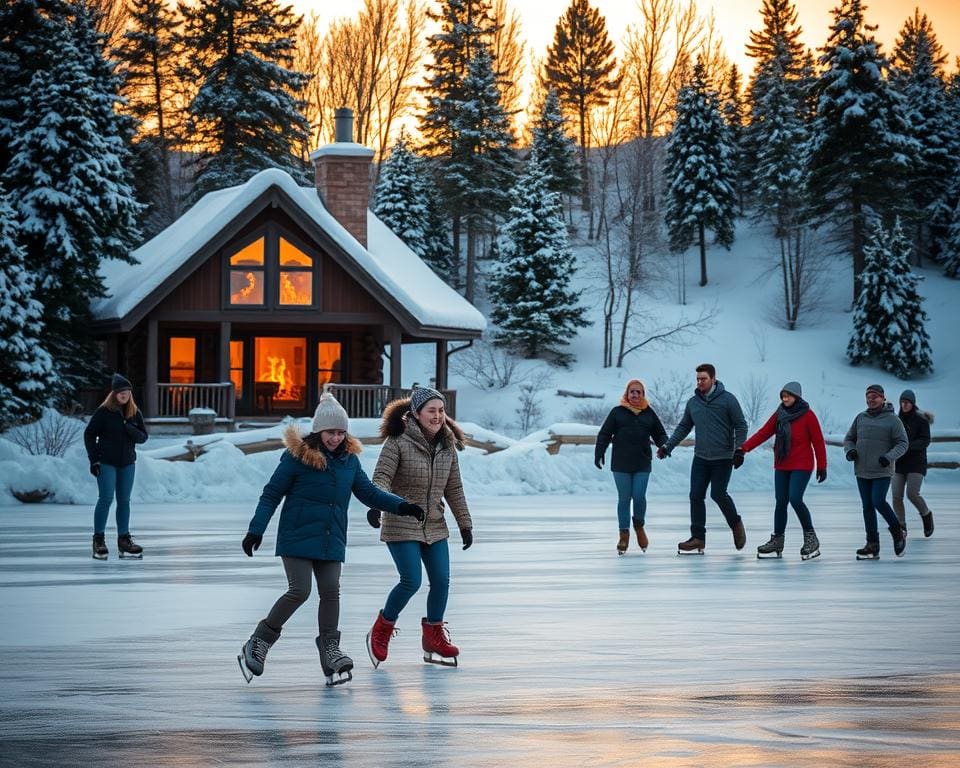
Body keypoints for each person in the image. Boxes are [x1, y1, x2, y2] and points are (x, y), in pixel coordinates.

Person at [237, 393, 424, 686]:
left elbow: (370, 493)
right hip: (297, 536)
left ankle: (330, 650)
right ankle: (259, 642)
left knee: (331, 591)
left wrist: (402, 506)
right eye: (330, 432)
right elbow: (271, 494)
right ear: (318, 431)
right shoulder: (296, 457)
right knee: (299, 591)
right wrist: (255, 530)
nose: (336, 438)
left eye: (340, 432)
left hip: (331, 538)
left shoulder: (349, 462)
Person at [366, 386, 473, 669]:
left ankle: (433, 637)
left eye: (441, 411)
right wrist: (378, 504)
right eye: (431, 411)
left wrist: (465, 523)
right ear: (415, 413)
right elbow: (381, 477)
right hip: (401, 520)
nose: (437, 416)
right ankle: (382, 627)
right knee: (410, 580)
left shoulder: (447, 444)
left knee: (441, 580)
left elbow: (454, 488)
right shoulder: (398, 441)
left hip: (434, 524)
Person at [656, 363, 748, 555]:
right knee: (695, 495)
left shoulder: (728, 400)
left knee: (718, 494)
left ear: (713, 379)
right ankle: (698, 538)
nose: (699, 382)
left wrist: (739, 449)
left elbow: (741, 425)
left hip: (723, 457)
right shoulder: (693, 403)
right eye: (697, 379)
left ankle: (736, 524)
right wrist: (667, 446)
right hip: (701, 458)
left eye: (703, 379)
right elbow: (683, 427)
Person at [740, 381, 827, 560]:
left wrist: (822, 466)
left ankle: (811, 538)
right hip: (782, 464)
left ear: (797, 396)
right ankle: (777, 540)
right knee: (781, 501)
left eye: (788, 395)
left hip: (802, 464)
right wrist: (743, 449)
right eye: (783, 396)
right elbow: (764, 432)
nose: (785, 398)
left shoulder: (808, 416)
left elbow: (818, 441)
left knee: (795, 498)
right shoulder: (780, 414)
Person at [594, 379, 667, 555]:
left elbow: (660, 433)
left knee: (639, 497)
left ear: (643, 395)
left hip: (642, 462)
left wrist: (664, 446)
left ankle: (639, 526)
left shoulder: (648, 413)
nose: (634, 395)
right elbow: (604, 433)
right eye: (631, 392)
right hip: (621, 463)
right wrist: (599, 452)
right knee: (624, 499)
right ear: (627, 394)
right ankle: (624, 535)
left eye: (638, 392)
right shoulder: (617, 412)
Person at [83, 373, 148, 560]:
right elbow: (89, 435)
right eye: (120, 392)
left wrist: (129, 428)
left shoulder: (134, 413)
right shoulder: (104, 413)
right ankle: (99, 540)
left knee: (124, 500)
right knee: (105, 499)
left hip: (127, 463)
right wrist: (93, 460)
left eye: (127, 391)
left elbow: (143, 437)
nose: (124, 395)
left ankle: (124, 540)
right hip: (106, 462)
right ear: (114, 393)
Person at [843, 384, 909, 560]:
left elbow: (903, 443)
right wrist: (850, 451)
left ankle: (897, 531)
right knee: (867, 507)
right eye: (868, 397)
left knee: (878, 501)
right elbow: (849, 438)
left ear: (883, 398)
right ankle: (872, 544)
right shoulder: (860, 418)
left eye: (875, 397)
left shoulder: (893, 420)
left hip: (882, 470)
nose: (871, 400)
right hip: (862, 470)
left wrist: (889, 457)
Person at [893, 389, 934, 538]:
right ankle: (901, 526)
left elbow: (925, 440)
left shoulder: (921, 419)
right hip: (899, 463)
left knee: (912, 493)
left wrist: (907, 446)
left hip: (916, 463)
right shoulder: (897, 420)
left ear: (912, 403)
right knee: (896, 496)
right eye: (902, 402)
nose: (904, 405)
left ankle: (926, 514)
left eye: (907, 402)